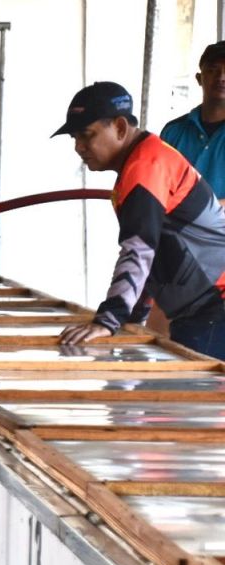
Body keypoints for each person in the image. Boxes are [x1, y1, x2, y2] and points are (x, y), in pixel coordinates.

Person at [54, 82, 225, 359]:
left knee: (198, 385)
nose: (79, 147)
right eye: (74, 138)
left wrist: (109, 319)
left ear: (120, 128)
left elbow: (139, 249)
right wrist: (131, 319)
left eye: (86, 135)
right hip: (203, 309)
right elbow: (153, 252)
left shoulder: (145, 168)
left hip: (214, 308)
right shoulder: (145, 161)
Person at [161, 42, 225, 199]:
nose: (221, 77)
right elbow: (159, 187)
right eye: (212, 70)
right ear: (199, 78)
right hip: (176, 216)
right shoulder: (173, 132)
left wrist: (207, 210)